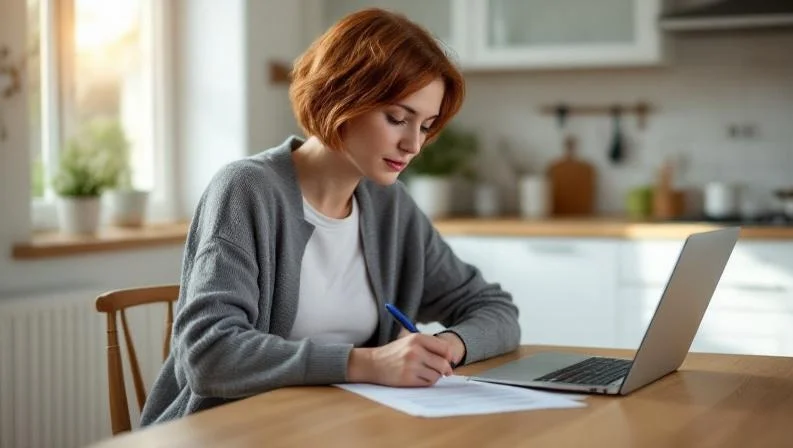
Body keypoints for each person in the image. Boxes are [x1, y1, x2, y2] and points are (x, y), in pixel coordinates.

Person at [140, 8, 520, 426]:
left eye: (426, 126)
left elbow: (493, 308)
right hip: (229, 431)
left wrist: (448, 345)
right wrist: (368, 363)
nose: (413, 144)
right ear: (342, 95)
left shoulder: (390, 207)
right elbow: (210, 354)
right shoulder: (248, 190)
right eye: (397, 118)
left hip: (337, 427)